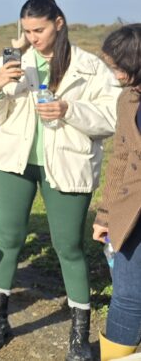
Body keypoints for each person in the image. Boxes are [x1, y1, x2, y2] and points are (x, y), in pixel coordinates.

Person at [0, 0, 119, 359]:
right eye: (27, 31)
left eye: (38, 30)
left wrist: (69, 109)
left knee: (68, 246)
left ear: (59, 23)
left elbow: (112, 118)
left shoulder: (90, 67)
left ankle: (79, 336)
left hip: (68, 163)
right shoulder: (12, 62)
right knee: (8, 238)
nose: (32, 37)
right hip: (12, 161)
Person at [93, 24, 141, 360]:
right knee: (126, 296)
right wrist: (105, 215)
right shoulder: (128, 99)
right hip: (132, 213)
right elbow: (121, 158)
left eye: (119, 67)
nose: (115, 74)